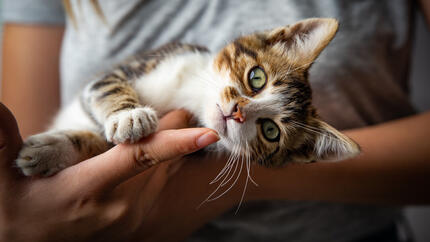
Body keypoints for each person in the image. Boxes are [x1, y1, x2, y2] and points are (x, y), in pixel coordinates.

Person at [1, 0, 430, 241]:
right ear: (284, 38)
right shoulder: (183, 66)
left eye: (268, 128)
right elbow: (27, 156)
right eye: (256, 78)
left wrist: (202, 192)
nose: (242, 110)